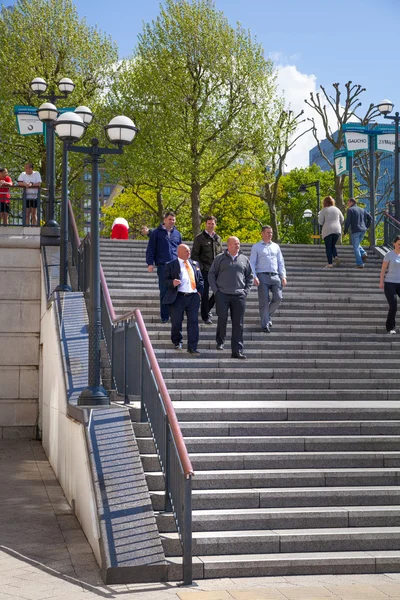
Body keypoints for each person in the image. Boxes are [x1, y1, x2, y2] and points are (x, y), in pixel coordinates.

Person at [208, 236, 253, 359]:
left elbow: (250, 276)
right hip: (222, 294)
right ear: (228, 245)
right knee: (222, 318)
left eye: (238, 243)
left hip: (239, 295)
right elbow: (211, 274)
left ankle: (237, 351)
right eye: (235, 244)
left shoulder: (244, 259)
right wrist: (216, 291)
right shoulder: (219, 259)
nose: (237, 246)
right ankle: (220, 341)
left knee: (238, 323)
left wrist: (246, 291)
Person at [163, 244, 204, 354]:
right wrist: (172, 282)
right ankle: (177, 342)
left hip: (193, 297)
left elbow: (200, 279)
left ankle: (192, 346)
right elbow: (165, 280)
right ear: (179, 252)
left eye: (189, 250)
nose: (188, 252)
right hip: (179, 296)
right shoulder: (171, 265)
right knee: (176, 321)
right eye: (186, 251)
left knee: (194, 322)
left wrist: (199, 292)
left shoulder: (195, 264)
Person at [146, 211, 182, 323]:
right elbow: (150, 249)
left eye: (173, 220)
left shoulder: (177, 234)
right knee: (164, 290)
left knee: (176, 290)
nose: (172, 221)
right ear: (165, 220)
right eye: (170, 219)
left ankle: (174, 314)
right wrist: (150, 263)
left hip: (176, 266)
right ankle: (165, 316)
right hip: (163, 266)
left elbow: (180, 249)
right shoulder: (156, 233)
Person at [249, 225, 287, 333]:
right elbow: (252, 263)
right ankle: (265, 324)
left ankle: (267, 314)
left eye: (271, 233)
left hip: (275, 276)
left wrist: (283, 276)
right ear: (262, 233)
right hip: (262, 275)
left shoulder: (276, 247)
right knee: (264, 301)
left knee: (278, 297)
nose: (270, 234)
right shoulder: (256, 247)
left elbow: (280, 262)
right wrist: (254, 277)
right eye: (267, 232)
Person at [191, 215, 223, 324]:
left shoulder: (218, 238)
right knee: (204, 294)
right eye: (208, 223)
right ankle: (206, 317)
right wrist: (200, 268)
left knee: (218, 291)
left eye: (212, 224)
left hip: (216, 271)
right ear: (205, 224)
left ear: (215, 225)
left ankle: (207, 309)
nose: (210, 226)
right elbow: (194, 255)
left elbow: (221, 254)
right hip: (204, 270)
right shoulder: (199, 238)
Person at [379, 236, 400, 334]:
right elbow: (383, 270)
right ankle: (390, 327)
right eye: (399, 244)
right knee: (393, 306)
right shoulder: (389, 255)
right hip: (390, 283)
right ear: (394, 244)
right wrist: (381, 282)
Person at [344, 198, 372, 269]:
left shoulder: (350, 210)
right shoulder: (362, 209)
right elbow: (370, 218)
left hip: (355, 230)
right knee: (357, 244)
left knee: (355, 247)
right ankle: (363, 253)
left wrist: (345, 231)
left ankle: (360, 263)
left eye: (348, 202)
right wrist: (366, 226)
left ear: (351, 202)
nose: (347, 204)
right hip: (363, 230)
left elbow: (348, 221)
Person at [318, 196, 344, 268]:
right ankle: (336, 256)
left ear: (324, 202)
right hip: (337, 230)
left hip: (327, 230)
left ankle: (330, 263)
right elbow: (342, 219)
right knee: (333, 245)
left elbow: (320, 221)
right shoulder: (337, 209)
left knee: (328, 247)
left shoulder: (324, 210)